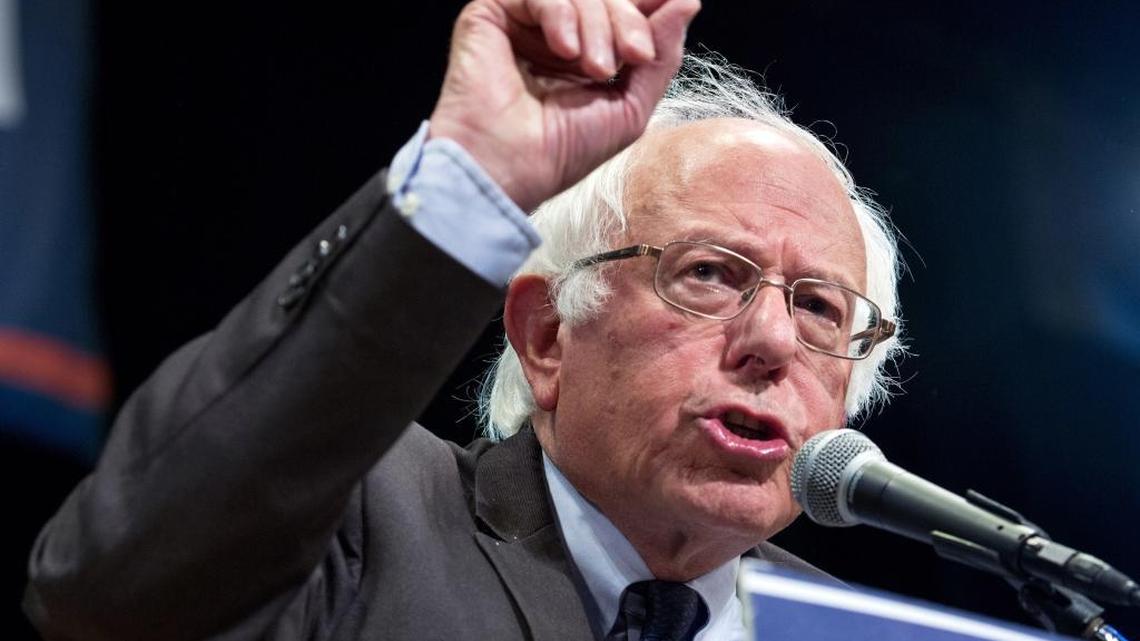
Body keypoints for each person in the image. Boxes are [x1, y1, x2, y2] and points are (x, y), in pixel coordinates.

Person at [24, 1, 902, 640]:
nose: (774, 341)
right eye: (710, 274)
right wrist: (471, 171)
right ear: (549, 336)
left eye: (820, 305)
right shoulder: (359, 520)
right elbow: (112, 584)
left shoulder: (852, 633)